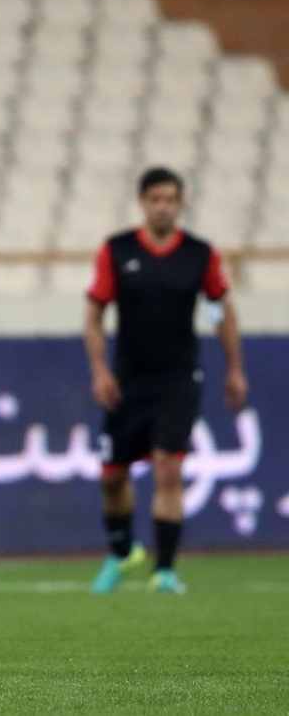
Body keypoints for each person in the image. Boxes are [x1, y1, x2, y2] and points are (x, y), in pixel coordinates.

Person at [84, 166, 248, 595]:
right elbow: (94, 313)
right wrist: (99, 370)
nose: (163, 207)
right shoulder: (117, 250)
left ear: (180, 204)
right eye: (155, 199)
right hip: (128, 380)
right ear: (142, 203)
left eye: (170, 199)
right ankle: (122, 552)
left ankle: (165, 570)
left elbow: (221, 310)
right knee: (112, 477)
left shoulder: (199, 255)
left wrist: (234, 368)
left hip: (178, 378)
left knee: (168, 469)